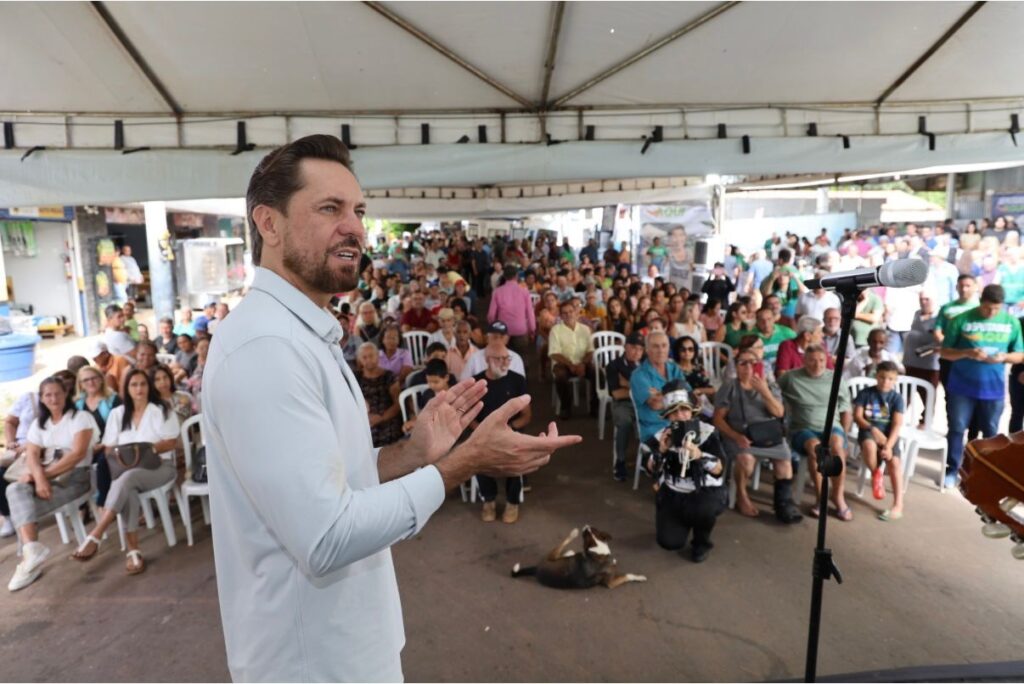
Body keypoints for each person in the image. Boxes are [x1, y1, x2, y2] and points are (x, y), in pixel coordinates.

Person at [202, 135, 580, 681]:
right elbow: (327, 535)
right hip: (312, 664)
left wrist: (412, 453)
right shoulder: (265, 348)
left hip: (346, 646)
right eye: (330, 208)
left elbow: (334, 481)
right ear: (269, 223)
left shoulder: (299, 333)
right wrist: (465, 463)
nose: (354, 227)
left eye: (358, 211)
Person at [70, 369, 180, 575]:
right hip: (126, 471)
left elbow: (171, 442)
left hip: (160, 467)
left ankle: (97, 533)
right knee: (127, 485)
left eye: (143, 384)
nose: (139, 389)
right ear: (126, 389)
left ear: (149, 386)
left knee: (126, 479)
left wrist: (143, 450)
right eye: (134, 385)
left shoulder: (161, 409)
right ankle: (133, 552)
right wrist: (125, 456)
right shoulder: (117, 414)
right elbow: (109, 447)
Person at [5, 376, 99, 591]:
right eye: (48, 395)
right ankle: (32, 551)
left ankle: (28, 562)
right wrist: (40, 479)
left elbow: (77, 454)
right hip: (48, 479)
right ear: (41, 398)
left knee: (21, 509)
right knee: (15, 488)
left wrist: (42, 477)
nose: (53, 398)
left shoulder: (80, 418)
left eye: (58, 393)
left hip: (75, 479)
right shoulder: (40, 424)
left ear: (66, 394)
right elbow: (32, 454)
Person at [940, 284, 1024, 488]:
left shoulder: (1011, 322)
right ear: (980, 302)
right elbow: (944, 352)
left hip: (992, 388)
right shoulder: (962, 319)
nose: (991, 312)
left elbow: (1020, 355)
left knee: (991, 433)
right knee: (957, 428)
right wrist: (967, 353)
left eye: (996, 308)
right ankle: (952, 469)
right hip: (961, 385)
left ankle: (984, 473)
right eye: (987, 308)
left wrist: (1004, 357)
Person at [641, 382, 727, 563]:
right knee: (669, 542)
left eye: (684, 410)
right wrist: (661, 451)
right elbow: (649, 469)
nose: (680, 416)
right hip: (673, 494)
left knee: (704, 509)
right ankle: (682, 522)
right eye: (674, 412)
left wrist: (700, 455)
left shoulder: (708, 433)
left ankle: (701, 541)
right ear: (668, 416)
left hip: (703, 493)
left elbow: (719, 469)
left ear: (692, 411)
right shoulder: (662, 436)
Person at [713, 348, 801, 523]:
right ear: (736, 367)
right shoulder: (730, 387)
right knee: (746, 460)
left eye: (753, 363)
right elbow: (718, 419)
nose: (748, 367)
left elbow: (779, 413)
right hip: (740, 435)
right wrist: (736, 436)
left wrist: (764, 392)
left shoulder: (770, 386)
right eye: (743, 363)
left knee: (784, 461)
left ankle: (783, 504)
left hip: (768, 434)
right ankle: (741, 495)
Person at [778, 345, 854, 521]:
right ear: (804, 361)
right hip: (802, 428)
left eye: (821, 360)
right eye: (812, 360)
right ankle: (821, 498)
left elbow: (846, 409)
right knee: (816, 448)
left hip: (832, 427)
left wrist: (845, 435)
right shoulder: (791, 377)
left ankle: (838, 496)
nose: (817, 365)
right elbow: (773, 392)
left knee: (837, 447)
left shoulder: (835, 378)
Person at [471, 349, 531, 524]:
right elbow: (468, 417)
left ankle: (512, 502)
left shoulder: (517, 380)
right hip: (484, 433)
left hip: (510, 432)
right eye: (499, 359)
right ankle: (488, 500)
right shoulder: (476, 383)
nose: (505, 362)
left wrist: (510, 428)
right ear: (487, 360)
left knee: (516, 453)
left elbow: (526, 415)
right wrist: (483, 431)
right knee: (476, 453)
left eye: (507, 358)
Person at [853, 362, 905, 520]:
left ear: (895, 380)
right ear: (876, 376)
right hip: (868, 430)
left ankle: (898, 504)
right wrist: (873, 429)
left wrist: (888, 446)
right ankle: (877, 475)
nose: (885, 381)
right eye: (882, 377)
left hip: (889, 435)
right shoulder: (865, 393)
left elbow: (897, 424)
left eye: (890, 379)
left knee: (894, 463)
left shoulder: (897, 398)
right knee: (869, 446)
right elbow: (858, 417)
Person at [73, 365, 121, 510]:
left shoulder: (113, 399)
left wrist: (103, 444)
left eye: (94, 378)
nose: (91, 382)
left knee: (103, 460)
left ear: (101, 379)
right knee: (72, 461)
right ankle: (82, 507)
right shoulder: (77, 404)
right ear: (80, 384)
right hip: (87, 446)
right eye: (86, 380)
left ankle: (102, 503)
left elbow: (120, 426)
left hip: (112, 444)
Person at [630, 331, 688, 442]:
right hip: (655, 429)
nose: (661, 350)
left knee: (712, 438)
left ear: (669, 348)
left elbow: (689, 396)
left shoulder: (674, 368)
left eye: (664, 345)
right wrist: (677, 396)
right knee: (685, 447)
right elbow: (655, 405)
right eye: (656, 346)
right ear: (647, 350)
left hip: (681, 423)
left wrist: (661, 395)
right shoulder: (639, 375)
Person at [548, 299, 596, 419]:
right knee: (560, 376)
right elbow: (554, 353)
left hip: (582, 363)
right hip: (563, 363)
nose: (568, 315)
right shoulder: (556, 330)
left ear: (576, 312)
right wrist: (570, 365)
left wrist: (583, 364)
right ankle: (566, 407)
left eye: (570, 311)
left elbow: (590, 350)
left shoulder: (585, 329)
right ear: (561, 316)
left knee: (597, 373)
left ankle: (595, 406)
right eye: (565, 313)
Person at [606, 333, 644, 482]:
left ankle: (648, 459)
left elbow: (655, 389)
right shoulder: (614, 365)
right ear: (626, 347)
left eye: (640, 349)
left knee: (655, 419)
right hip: (623, 403)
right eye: (633, 348)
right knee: (624, 422)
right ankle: (620, 461)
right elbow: (617, 393)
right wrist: (641, 389)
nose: (637, 352)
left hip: (643, 402)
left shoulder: (646, 364)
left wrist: (627, 384)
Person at [355, 343, 403, 447]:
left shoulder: (389, 376)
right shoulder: (355, 378)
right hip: (364, 420)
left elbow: (398, 403)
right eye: (364, 357)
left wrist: (381, 418)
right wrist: (365, 417)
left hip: (388, 418)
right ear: (359, 360)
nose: (368, 360)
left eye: (371, 356)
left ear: (377, 356)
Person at [488, 264, 536, 362]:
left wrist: (494, 328)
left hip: (503, 332)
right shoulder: (524, 291)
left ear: (504, 276)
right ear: (517, 276)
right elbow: (530, 313)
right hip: (520, 331)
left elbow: (491, 315)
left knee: (503, 360)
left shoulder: (497, 292)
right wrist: (532, 330)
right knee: (521, 360)